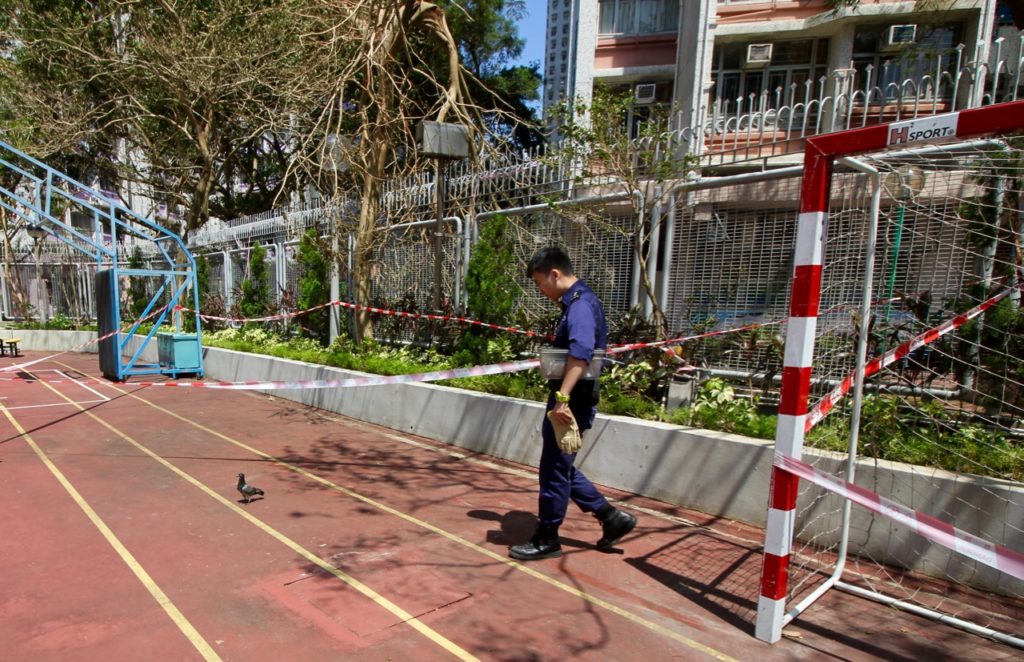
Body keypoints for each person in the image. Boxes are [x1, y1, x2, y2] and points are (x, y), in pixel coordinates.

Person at [509, 246, 637, 561]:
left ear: (555, 274)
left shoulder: (580, 305)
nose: (541, 290)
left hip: (572, 399)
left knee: (553, 468)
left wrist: (562, 399)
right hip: (569, 395)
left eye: (540, 283)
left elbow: (581, 352)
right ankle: (610, 517)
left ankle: (548, 537)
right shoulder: (576, 303)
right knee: (560, 464)